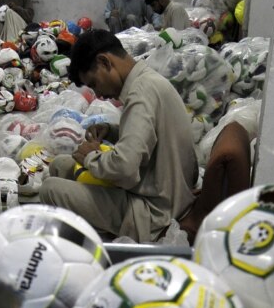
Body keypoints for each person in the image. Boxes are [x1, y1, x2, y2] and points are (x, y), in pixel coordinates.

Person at [39, 30, 197, 243]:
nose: (100, 95)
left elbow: (125, 168)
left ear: (104, 62)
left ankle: (92, 249)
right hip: (166, 191)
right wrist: (111, 131)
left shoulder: (140, 94)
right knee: (60, 164)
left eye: (94, 84)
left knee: (50, 189)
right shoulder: (148, 81)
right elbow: (151, 136)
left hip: (154, 212)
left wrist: (91, 156)